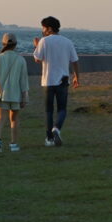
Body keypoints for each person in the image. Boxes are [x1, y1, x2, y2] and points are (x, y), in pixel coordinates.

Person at [33, 16, 79, 147]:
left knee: (48, 110)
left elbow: (37, 59)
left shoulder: (44, 41)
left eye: (43, 28)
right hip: (63, 80)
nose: (42, 30)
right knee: (62, 109)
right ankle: (57, 129)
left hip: (48, 80)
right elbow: (75, 61)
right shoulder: (67, 42)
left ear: (49, 28)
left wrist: (36, 46)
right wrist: (77, 77)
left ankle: (49, 139)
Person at [0, 34, 29, 153]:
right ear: (15, 45)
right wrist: (24, 97)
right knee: (14, 119)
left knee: (0, 118)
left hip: (0, 94)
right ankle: (14, 144)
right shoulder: (21, 59)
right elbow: (24, 81)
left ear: (3, 44)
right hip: (16, 95)